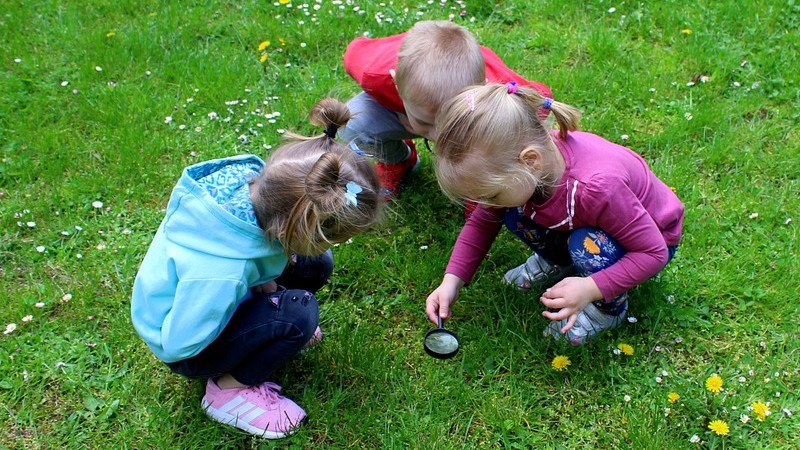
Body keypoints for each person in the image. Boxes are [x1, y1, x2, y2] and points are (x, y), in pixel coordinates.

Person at [131, 98, 381, 438]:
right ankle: (228, 391)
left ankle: (265, 327)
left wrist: (259, 283)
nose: (334, 246)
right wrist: (244, 306)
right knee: (299, 316)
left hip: (220, 289)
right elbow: (177, 344)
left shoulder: (257, 193)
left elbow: (252, 257)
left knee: (315, 265)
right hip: (186, 340)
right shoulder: (219, 273)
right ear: (300, 228)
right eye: (331, 238)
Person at [425, 82, 684, 345]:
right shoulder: (525, 166)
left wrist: (590, 288)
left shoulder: (597, 189)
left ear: (530, 161)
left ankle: (607, 311)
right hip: (590, 219)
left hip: (651, 240)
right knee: (512, 212)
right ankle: (560, 262)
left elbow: (653, 253)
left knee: (585, 243)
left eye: (490, 195)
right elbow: (482, 222)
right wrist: (451, 281)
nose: (484, 204)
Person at [340, 20, 552, 207]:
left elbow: (540, 103)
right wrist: (400, 112)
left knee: (497, 136)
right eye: (427, 123)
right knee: (352, 121)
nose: (438, 136)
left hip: (473, 112)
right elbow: (353, 52)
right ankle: (399, 160)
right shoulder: (374, 73)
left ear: (482, 88)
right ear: (396, 83)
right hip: (399, 110)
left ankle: (475, 178)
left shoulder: (497, 89)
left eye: (450, 123)